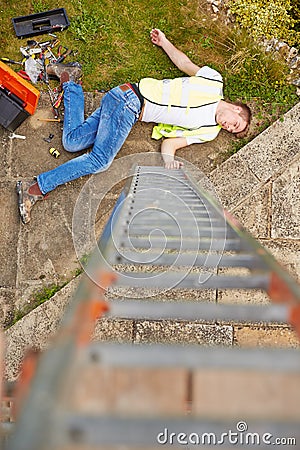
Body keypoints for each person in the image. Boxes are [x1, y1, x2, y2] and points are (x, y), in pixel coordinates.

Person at [17, 28, 251, 224]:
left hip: (122, 104)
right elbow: (185, 63)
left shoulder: (209, 131)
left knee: (72, 142)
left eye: (232, 130)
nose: (229, 126)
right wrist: (165, 42)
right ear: (237, 109)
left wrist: (169, 160)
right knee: (100, 161)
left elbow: (171, 143)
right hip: (131, 100)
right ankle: (35, 187)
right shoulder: (213, 81)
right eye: (235, 123)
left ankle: (70, 79)